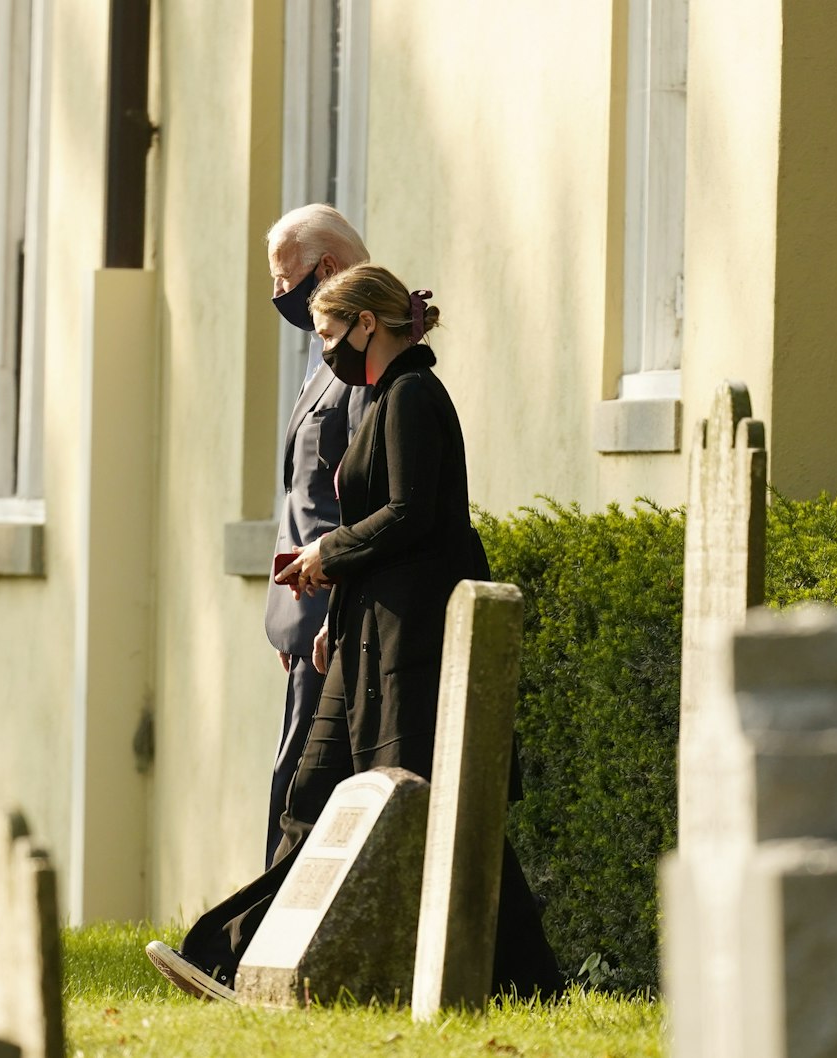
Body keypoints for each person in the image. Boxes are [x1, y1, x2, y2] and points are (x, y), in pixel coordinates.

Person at [146, 265, 565, 1002]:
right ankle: (235, 959)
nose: (328, 351)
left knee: (439, 810)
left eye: (332, 334)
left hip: (408, 644)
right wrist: (334, 617)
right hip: (364, 635)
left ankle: (530, 986)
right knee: (313, 792)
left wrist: (324, 554)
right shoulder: (383, 398)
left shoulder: (410, 396)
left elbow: (411, 514)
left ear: (368, 324)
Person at [259, 204, 372, 867]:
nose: (279, 296)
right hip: (309, 618)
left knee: (302, 792)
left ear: (324, 270)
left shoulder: (362, 361)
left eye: (283, 280)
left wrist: (331, 609)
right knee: (301, 784)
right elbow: (299, 490)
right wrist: (287, 620)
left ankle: (248, 949)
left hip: (334, 611)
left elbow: (354, 495)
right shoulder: (325, 354)